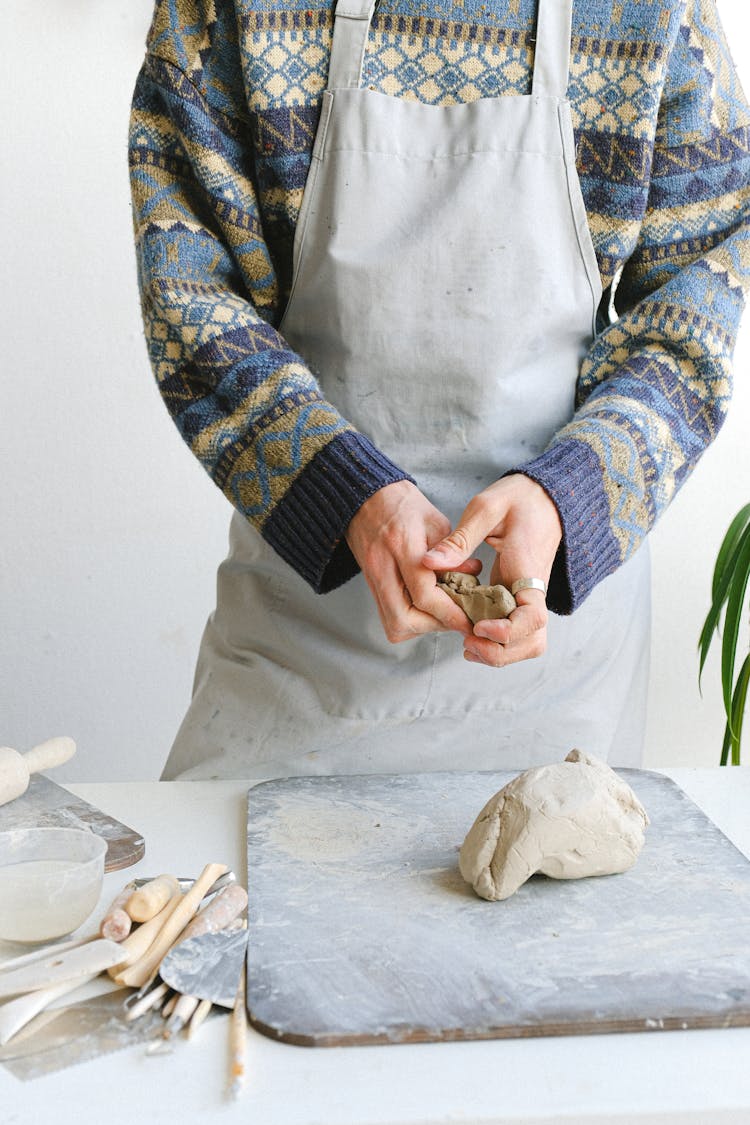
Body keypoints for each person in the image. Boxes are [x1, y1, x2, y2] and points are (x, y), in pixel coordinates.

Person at [129, 0, 749, 780]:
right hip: (301, 665)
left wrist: (569, 497)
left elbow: (693, 308)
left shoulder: (655, 13)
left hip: (552, 682)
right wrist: (348, 494)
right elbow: (189, 295)